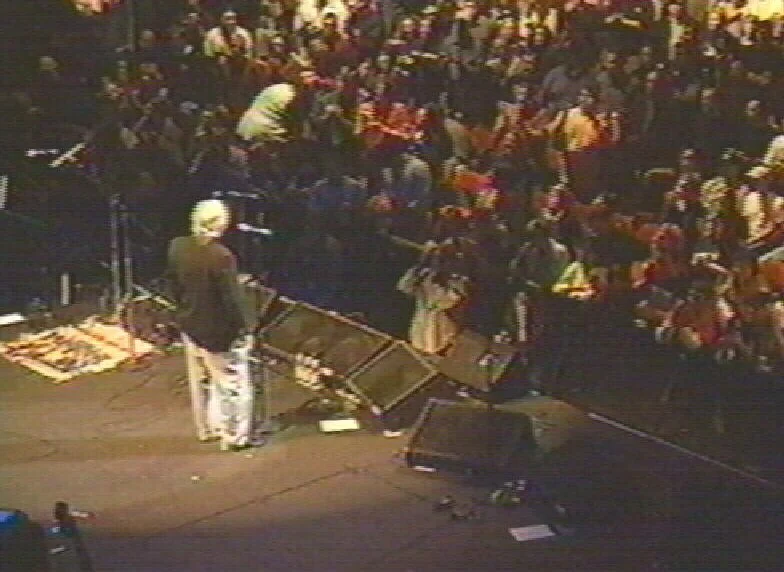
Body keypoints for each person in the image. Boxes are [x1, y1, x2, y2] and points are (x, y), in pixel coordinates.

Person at [165, 199, 260, 451]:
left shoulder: (177, 246)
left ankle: (208, 427)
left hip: (190, 324)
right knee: (233, 385)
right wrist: (246, 329)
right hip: (219, 332)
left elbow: (174, 286)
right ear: (221, 223)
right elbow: (232, 300)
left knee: (202, 381)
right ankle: (234, 437)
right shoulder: (221, 256)